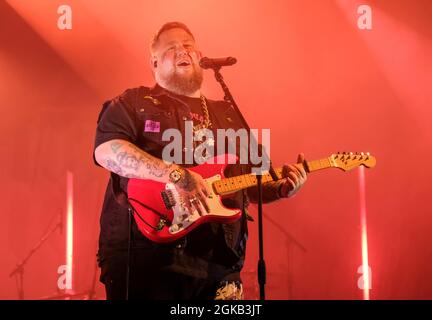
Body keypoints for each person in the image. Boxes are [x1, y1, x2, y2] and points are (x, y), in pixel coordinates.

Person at [93, 21, 307, 300]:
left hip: (219, 263)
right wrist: (177, 175)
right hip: (146, 256)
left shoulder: (228, 114)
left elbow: (254, 182)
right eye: (171, 47)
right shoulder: (133, 102)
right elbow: (107, 151)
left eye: (188, 46)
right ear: (154, 61)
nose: (182, 50)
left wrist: (282, 187)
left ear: (199, 57)